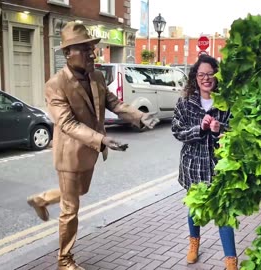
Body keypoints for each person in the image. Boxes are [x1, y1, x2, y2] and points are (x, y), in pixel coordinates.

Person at [26, 22, 159, 270]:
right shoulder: (55, 84)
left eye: (91, 48)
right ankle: (64, 260)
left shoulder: (96, 76)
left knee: (78, 193)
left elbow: (115, 104)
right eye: (85, 49)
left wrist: (138, 116)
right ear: (68, 53)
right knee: (70, 208)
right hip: (69, 155)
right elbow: (66, 123)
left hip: (90, 152)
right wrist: (101, 139)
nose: (92, 53)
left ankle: (41, 200)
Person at [171, 55, 237, 270]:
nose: (206, 78)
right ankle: (193, 245)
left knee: (224, 212)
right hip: (193, 166)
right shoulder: (185, 101)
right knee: (194, 208)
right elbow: (177, 131)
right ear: (195, 77)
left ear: (217, 76)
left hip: (220, 167)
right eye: (201, 75)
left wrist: (221, 130)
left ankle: (230, 260)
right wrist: (199, 128)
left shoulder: (227, 102)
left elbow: (238, 131)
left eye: (210, 74)